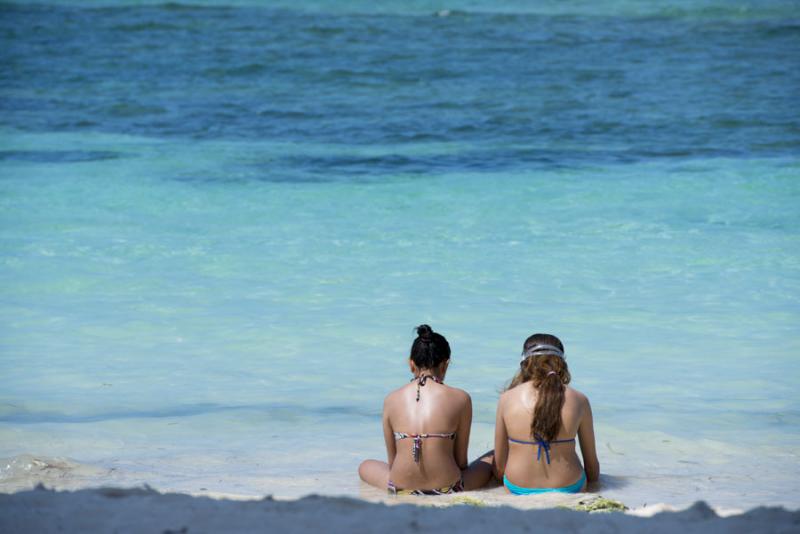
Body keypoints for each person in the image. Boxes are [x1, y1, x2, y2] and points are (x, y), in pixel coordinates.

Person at [358, 325, 490, 495]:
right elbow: (461, 462)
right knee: (490, 459)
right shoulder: (461, 398)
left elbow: (392, 462)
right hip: (448, 488)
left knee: (365, 466)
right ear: (445, 365)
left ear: (411, 364)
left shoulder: (391, 399)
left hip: (400, 488)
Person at [493, 333, 599, 494]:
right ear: (562, 363)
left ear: (524, 363)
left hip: (518, 487)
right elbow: (592, 469)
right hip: (570, 486)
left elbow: (499, 468)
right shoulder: (579, 399)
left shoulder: (506, 399)